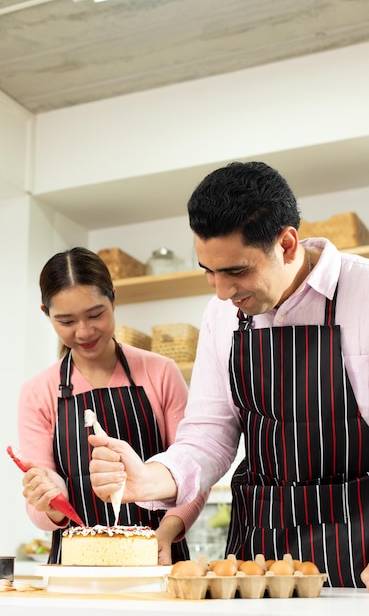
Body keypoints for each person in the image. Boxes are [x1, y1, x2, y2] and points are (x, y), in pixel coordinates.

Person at [89, 161, 369, 588]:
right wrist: (149, 478)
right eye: (209, 272)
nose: (222, 291)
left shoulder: (363, 293)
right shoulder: (222, 313)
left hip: (359, 539)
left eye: (236, 271)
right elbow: (209, 434)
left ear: (288, 243)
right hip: (257, 546)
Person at [18, 247, 208, 565]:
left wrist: (168, 531)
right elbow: (42, 503)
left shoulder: (160, 372)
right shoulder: (38, 392)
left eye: (95, 315)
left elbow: (192, 471)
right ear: (46, 313)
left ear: (113, 299)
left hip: (157, 556)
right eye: (65, 321)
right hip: (75, 567)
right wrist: (48, 502)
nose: (83, 331)